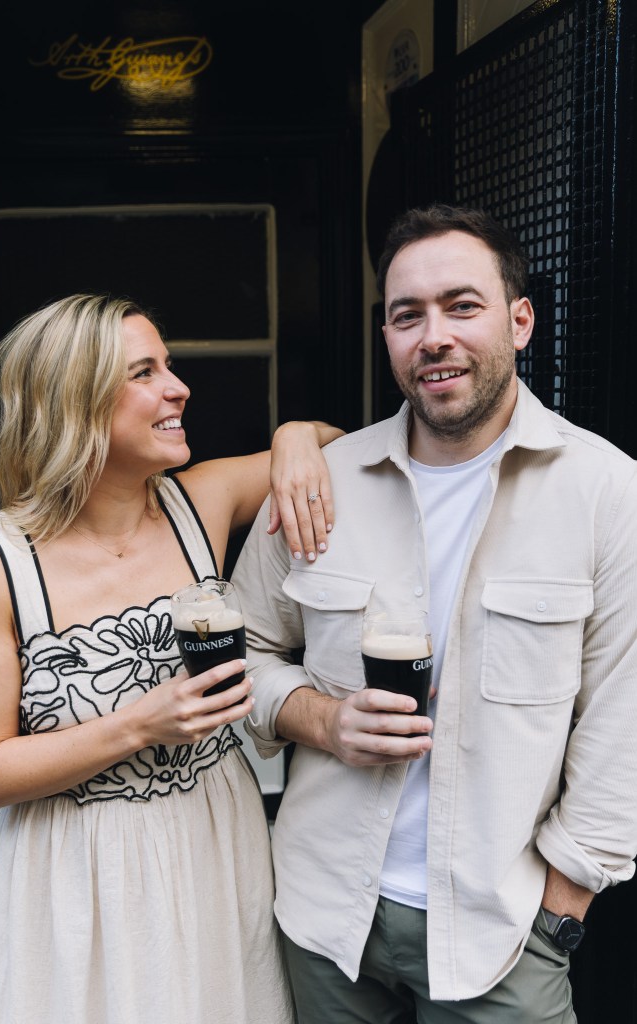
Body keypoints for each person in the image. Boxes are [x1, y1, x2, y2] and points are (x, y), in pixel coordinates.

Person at [231, 204, 637, 1023]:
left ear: (519, 321)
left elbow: (621, 719)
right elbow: (242, 652)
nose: (433, 336)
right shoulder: (321, 481)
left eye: (461, 306)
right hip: (322, 916)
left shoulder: (605, 491)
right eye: (406, 315)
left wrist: (561, 908)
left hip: (500, 932)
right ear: (385, 335)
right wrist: (321, 720)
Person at [0, 293, 344, 1024]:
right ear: (73, 400)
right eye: (144, 373)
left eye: (169, 366)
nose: (178, 387)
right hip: (73, 875)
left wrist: (293, 434)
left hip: (215, 845)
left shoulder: (205, 501)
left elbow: (337, 442)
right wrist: (139, 724)